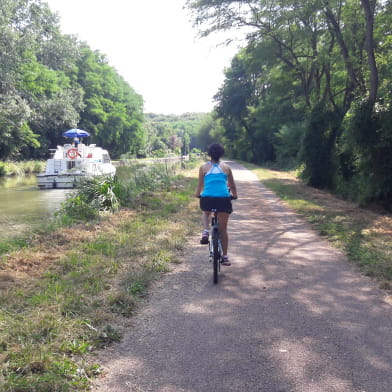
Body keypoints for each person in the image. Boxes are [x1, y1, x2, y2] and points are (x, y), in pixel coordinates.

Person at [195, 143, 238, 266]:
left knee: (206, 212)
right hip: (223, 199)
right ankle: (225, 257)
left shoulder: (203, 168)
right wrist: (234, 195)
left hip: (207, 198)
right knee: (223, 230)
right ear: (221, 154)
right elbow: (232, 185)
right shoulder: (226, 168)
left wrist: (197, 194)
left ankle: (205, 231)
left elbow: (200, 185)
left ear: (209, 154)